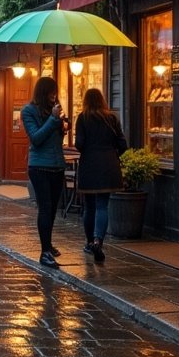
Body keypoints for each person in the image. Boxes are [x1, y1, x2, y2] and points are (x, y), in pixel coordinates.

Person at [21, 76, 69, 269]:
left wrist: (64, 126)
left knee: (53, 208)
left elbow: (55, 138)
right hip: (40, 167)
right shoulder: (28, 111)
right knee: (45, 207)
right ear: (43, 92)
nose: (53, 96)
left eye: (55, 92)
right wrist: (52, 120)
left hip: (57, 164)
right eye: (50, 92)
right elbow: (36, 138)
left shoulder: (54, 110)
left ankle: (48, 244)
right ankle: (44, 253)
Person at [74, 87, 127, 264]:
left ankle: (89, 242)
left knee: (89, 206)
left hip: (89, 164)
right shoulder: (111, 118)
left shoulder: (83, 118)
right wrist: (112, 155)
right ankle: (98, 241)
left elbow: (79, 144)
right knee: (102, 205)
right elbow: (123, 144)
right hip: (108, 164)